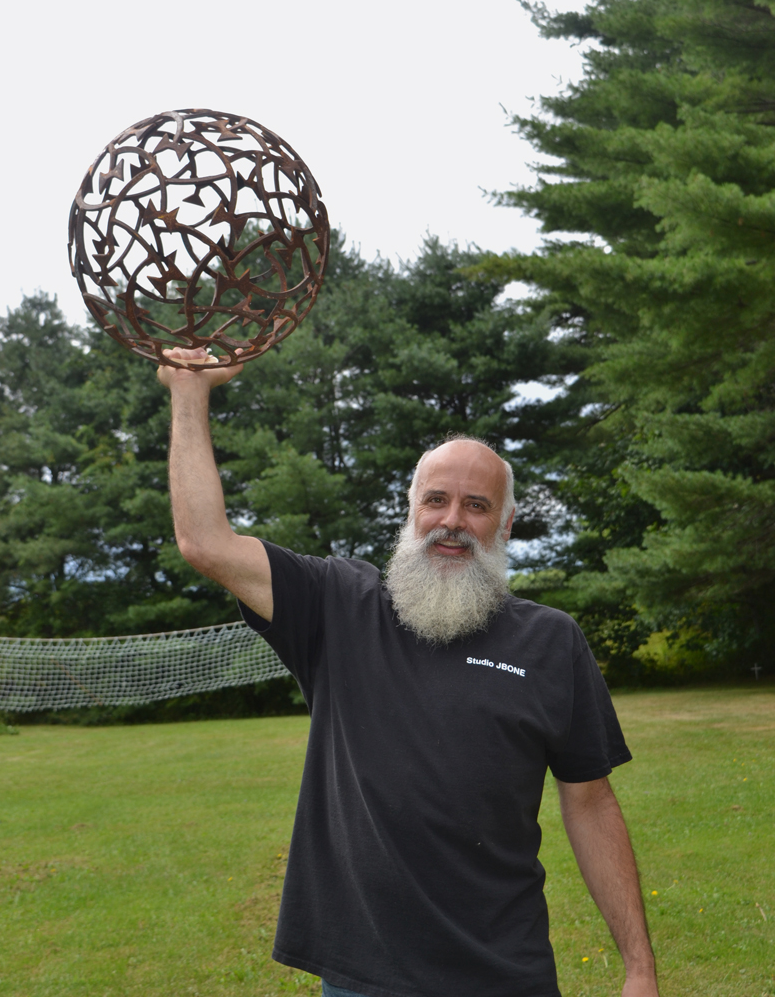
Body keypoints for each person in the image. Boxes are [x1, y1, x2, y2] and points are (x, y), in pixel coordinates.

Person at [158, 348, 659, 997]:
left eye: (476, 506)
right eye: (437, 500)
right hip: (365, 979)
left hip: (505, 975)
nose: (452, 522)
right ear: (411, 510)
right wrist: (189, 394)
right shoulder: (338, 607)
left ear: (505, 525)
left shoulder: (551, 642)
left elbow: (590, 802)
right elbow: (205, 541)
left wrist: (639, 969)